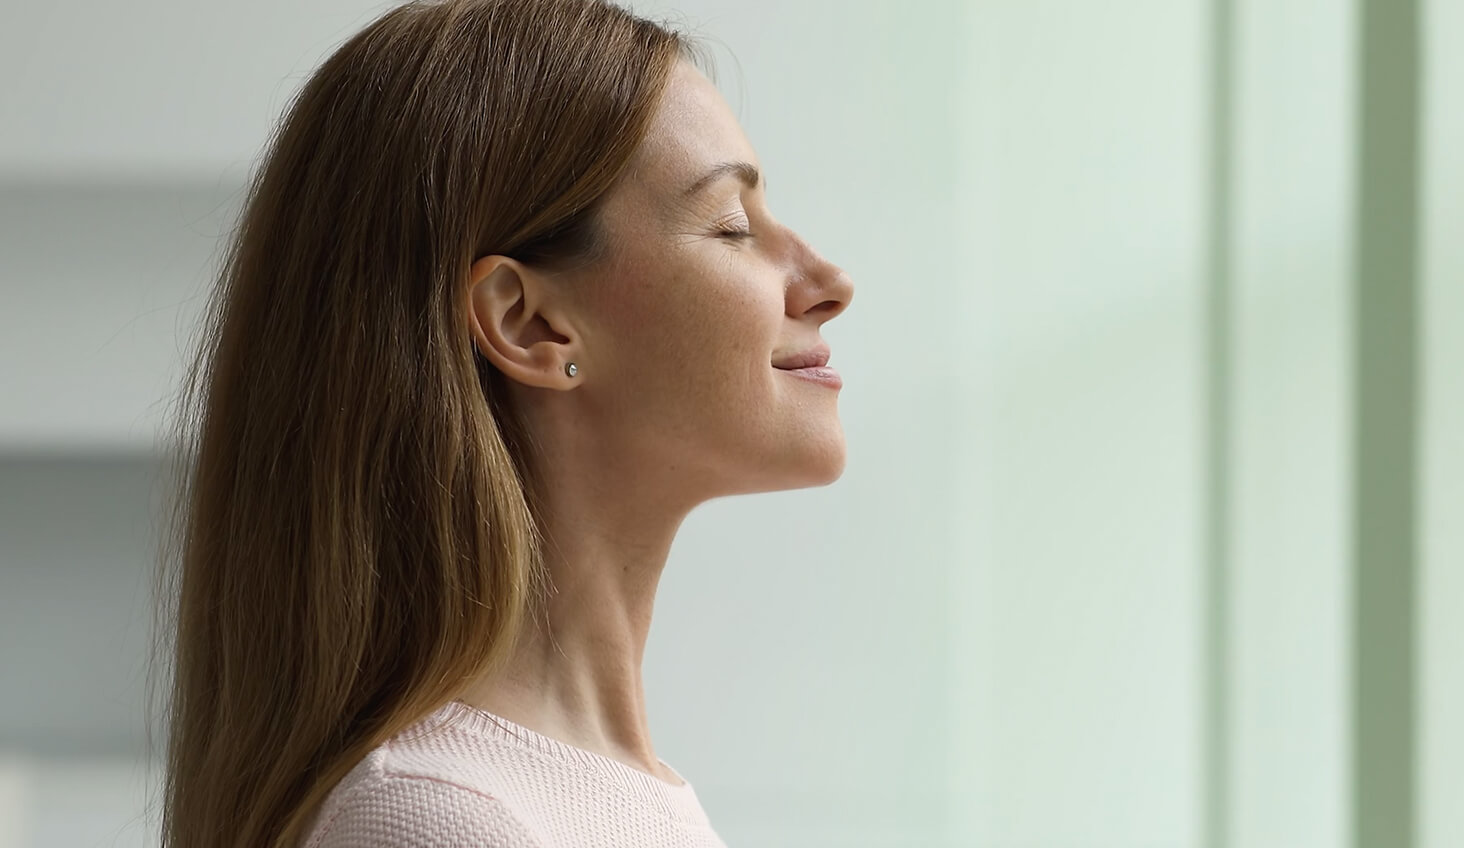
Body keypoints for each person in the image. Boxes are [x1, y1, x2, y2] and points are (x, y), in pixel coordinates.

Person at [150, 0, 854, 845]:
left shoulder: (609, 798)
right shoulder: (441, 821)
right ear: (527, 324)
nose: (828, 280)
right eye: (733, 227)